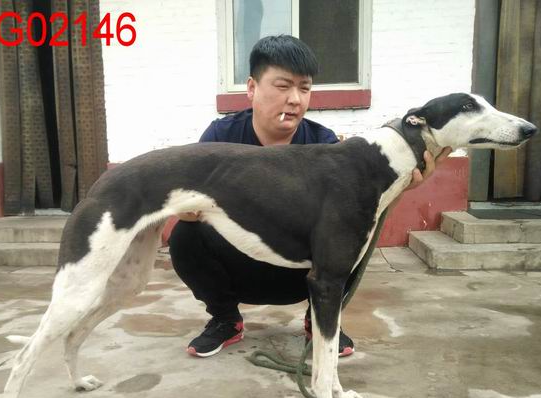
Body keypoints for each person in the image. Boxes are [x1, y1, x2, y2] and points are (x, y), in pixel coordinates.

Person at [169, 35, 451, 358]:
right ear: (251, 88)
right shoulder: (220, 138)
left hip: (300, 272)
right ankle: (225, 319)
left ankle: (320, 320)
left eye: (304, 88)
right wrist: (184, 207)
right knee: (184, 237)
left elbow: (359, 216)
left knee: (354, 234)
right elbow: (189, 205)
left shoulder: (326, 146)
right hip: (240, 263)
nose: (295, 99)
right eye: (283, 86)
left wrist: (402, 186)